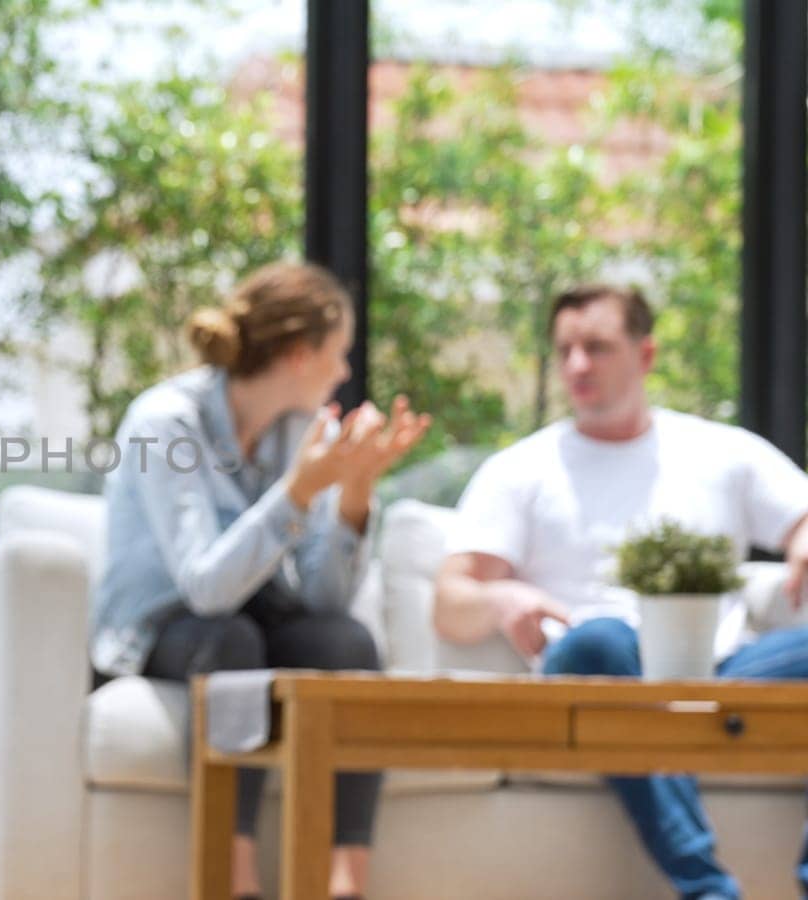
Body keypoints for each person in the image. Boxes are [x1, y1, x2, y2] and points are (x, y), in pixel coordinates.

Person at [434, 283, 808, 900]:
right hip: (600, 675)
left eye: (598, 347)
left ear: (646, 355)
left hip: (721, 676)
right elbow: (450, 599)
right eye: (566, 350)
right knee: (599, 641)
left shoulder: (722, 453)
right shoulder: (520, 471)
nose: (578, 365)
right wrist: (504, 600)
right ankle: (708, 890)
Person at [91, 261, 430, 900]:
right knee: (232, 643)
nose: (344, 373)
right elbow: (205, 588)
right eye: (338, 354)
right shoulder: (166, 423)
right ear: (301, 355)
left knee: (346, 644)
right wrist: (298, 491)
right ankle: (235, 884)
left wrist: (354, 494)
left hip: (258, 617)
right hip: (169, 627)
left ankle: (344, 886)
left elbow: (324, 598)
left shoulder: (302, 432)